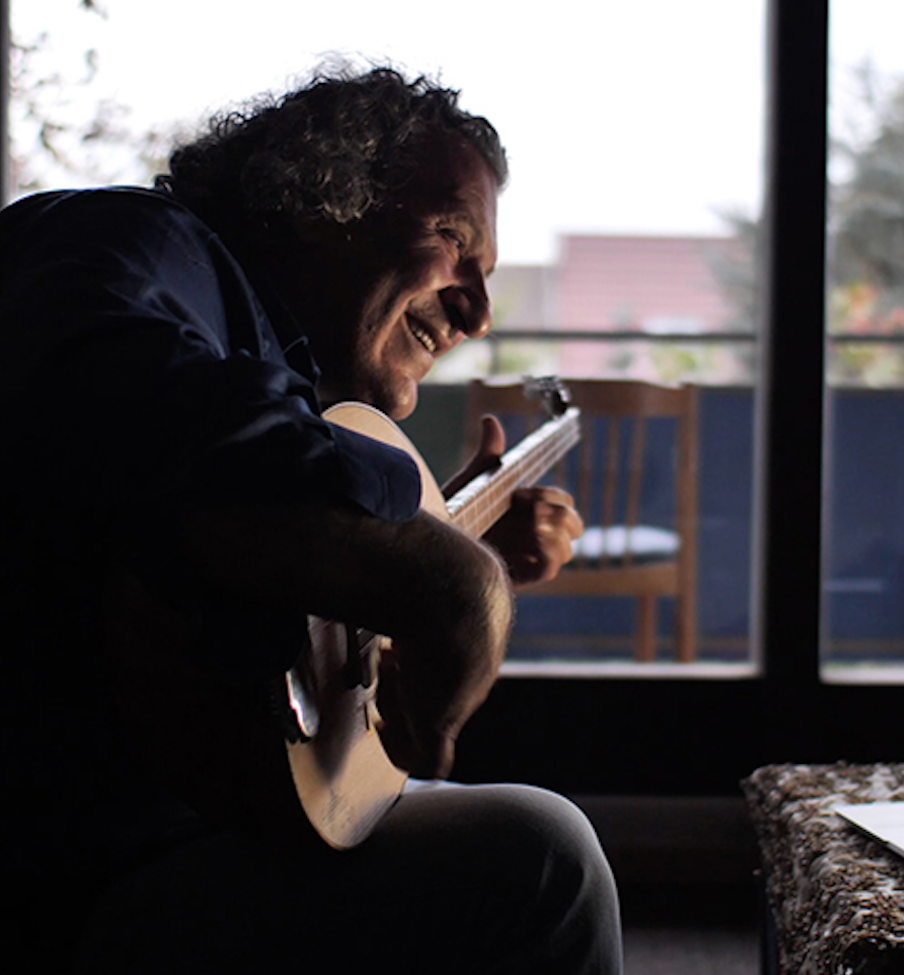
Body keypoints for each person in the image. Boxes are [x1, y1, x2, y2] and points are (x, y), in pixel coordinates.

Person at [0, 64, 621, 973]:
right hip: (67, 878)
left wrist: (433, 552)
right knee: (545, 860)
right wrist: (437, 567)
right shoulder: (131, 242)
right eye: (453, 237)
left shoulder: (288, 385)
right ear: (319, 192)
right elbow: (126, 415)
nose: (477, 313)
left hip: (189, 819)